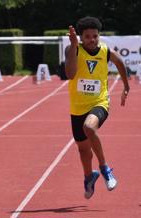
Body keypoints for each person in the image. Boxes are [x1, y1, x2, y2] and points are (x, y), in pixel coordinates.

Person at [65, 16, 129, 199]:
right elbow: (70, 74)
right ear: (81, 37)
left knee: (89, 127)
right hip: (77, 107)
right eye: (87, 37)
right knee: (83, 150)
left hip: (99, 102)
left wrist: (126, 86)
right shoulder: (73, 50)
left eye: (95, 36)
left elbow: (120, 63)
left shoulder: (105, 51)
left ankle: (104, 169)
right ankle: (89, 177)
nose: (92, 40)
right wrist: (74, 47)